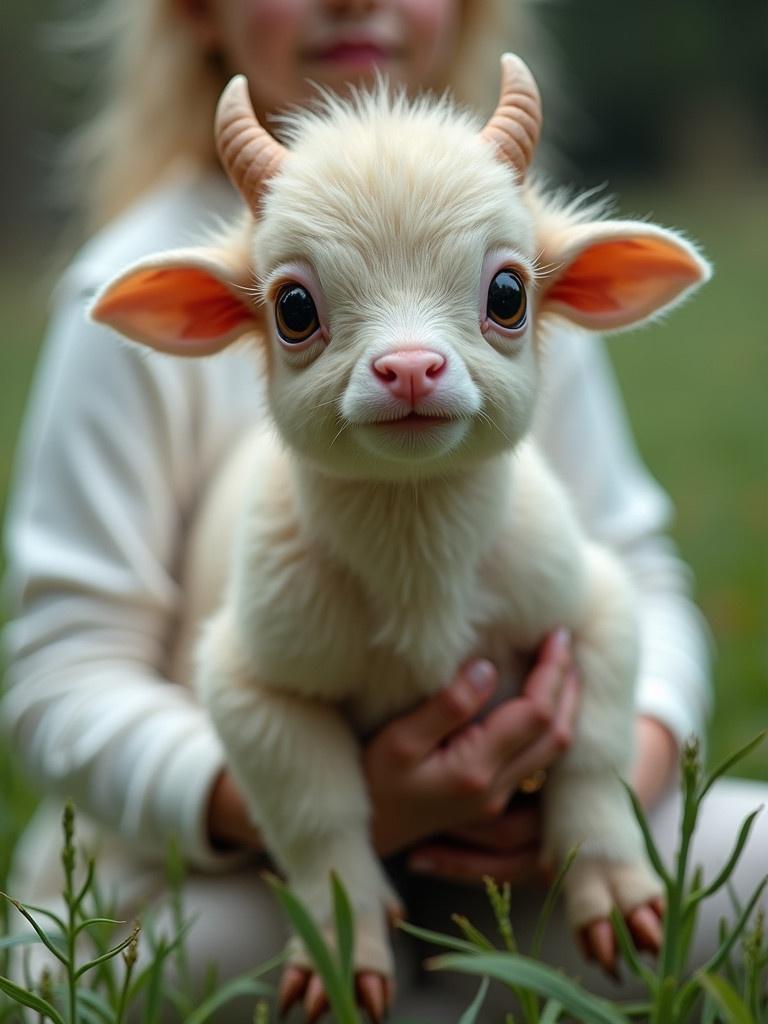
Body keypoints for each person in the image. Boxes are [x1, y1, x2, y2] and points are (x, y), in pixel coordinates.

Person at [2, 0, 765, 1019]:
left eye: (499, 302)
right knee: (183, 963)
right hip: (243, 865)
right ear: (197, 14)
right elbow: (67, 678)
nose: (413, 361)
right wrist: (323, 828)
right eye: (302, 314)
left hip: (521, 851)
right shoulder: (115, 288)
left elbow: (626, 588)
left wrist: (605, 785)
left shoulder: (493, 222)